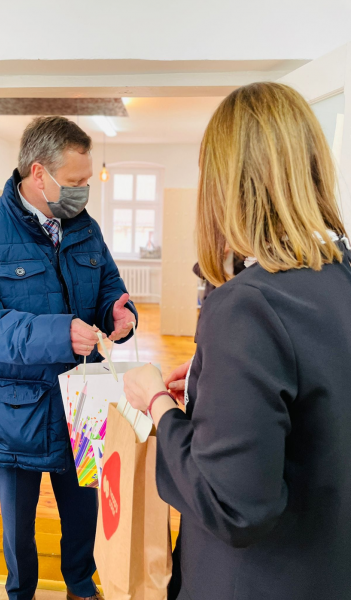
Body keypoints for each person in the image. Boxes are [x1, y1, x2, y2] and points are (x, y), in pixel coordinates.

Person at [124, 82, 351, 600]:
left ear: (226, 185)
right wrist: (213, 387)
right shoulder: (340, 280)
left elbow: (233, 506)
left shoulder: (249, 305)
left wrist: (158, 405)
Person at [0, 116, 137, 600]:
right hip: (13, 408)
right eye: (74, 182)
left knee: (83, 510)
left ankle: (80, 586)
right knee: (18, 528)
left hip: (84, 403)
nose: (83, 192)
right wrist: (59, 334)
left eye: (87, 181)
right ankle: (20, 593)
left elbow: (108, 282)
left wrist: (122, 309)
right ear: (38, 172)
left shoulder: (84, 228)